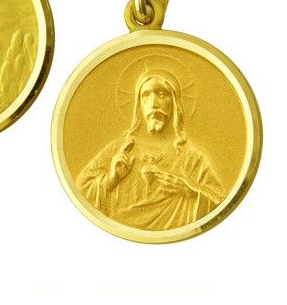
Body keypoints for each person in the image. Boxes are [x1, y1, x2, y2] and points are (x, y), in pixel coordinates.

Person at [76, 69, 226, 230]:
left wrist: (190, 191)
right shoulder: (119, 149)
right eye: (146, 95)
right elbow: (79, 191)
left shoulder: (192, 157)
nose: (154, 103)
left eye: (162, 94)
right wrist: (109, 181)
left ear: (174, 102)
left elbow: (221, 204)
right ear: (138, 104)